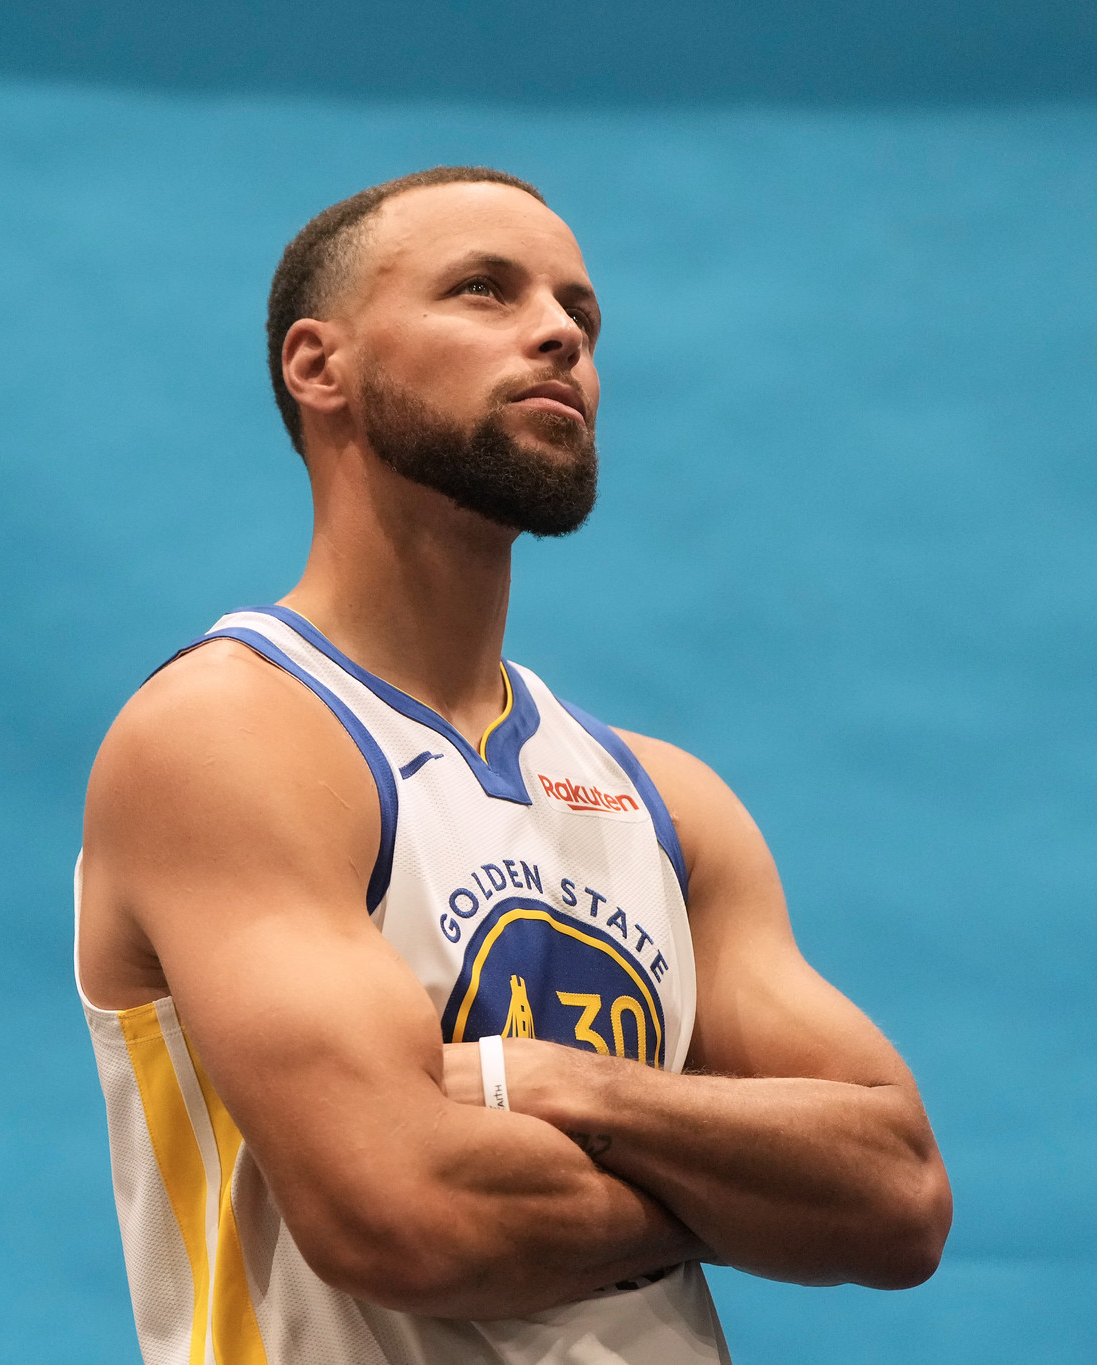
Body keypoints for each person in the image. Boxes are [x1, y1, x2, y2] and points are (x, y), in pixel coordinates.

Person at [74, 166, 951, 1365]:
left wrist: (551, 1084)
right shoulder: (229, 733)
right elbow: (407, 1218)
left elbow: (896, 1196)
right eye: (483, 291)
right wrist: (733, 1199)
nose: (557, 334)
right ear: (318, 366)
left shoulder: (666, 803)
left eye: (577, 313)